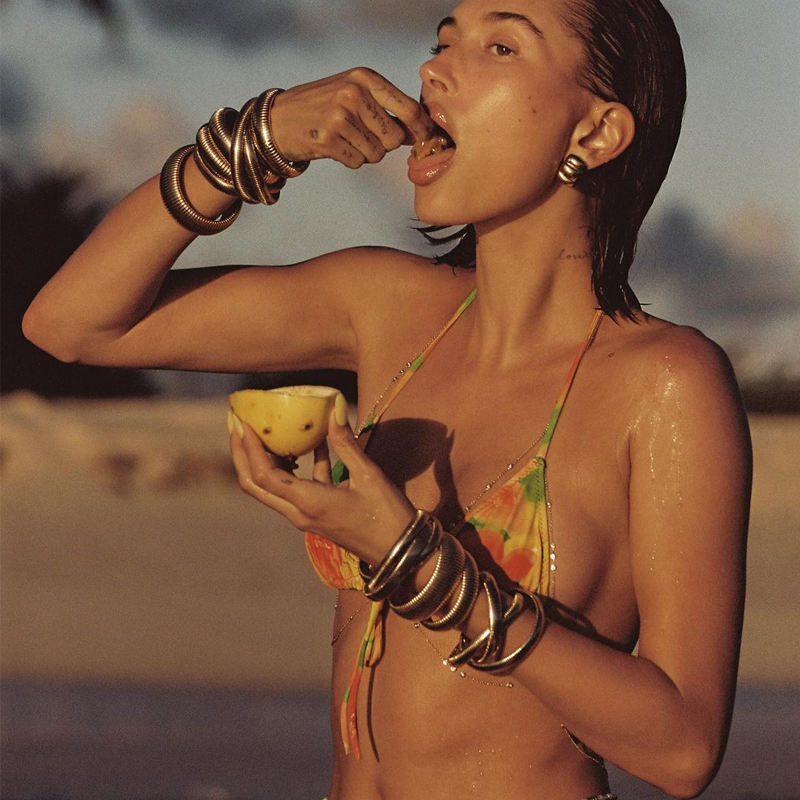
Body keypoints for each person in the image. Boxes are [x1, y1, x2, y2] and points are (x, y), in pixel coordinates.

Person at [23, 0, 752, 797]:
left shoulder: (664, 383)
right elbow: (71, 325)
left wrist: (417, 563)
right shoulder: (385, 309)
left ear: (596, 133)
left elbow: (683, 749)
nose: (435, 70)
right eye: (443, 41)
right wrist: (251, 140)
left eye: (500, 47)